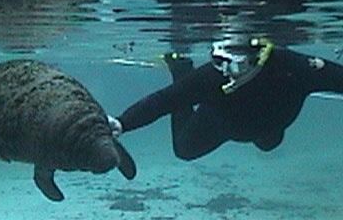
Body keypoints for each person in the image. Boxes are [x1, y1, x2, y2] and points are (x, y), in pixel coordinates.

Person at [113, 36, 343, 160]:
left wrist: (123, 123)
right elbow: (162, 102)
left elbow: (162, 102)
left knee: (184, 148)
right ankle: (181, 68)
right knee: (184, 147)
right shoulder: (294, 67)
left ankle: (180, 67)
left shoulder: (214, 76)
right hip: (231, 120)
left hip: (224, 120)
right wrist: (123, 123)